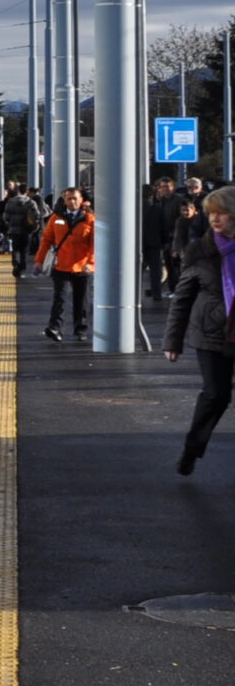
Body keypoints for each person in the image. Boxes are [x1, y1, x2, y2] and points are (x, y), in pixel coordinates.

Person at [164, 185, 235, 474]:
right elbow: (182, 299)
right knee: (215, 395)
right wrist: (173, 341)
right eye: (211, 214)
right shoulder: (199, 251)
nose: (216, 219)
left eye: (223, 214)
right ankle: (192, 449)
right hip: (212, 334)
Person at [37, 186, 96, 340]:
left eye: (75, 198)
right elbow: (46, 240)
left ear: (81, 200)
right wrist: (39, 261)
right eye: (68, 198)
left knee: (82, 299)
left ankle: (81, 329)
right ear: (64, 200)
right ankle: (55, 328)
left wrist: (91, 262)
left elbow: (95, 244)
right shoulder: (56, 218)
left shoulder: (89, 219)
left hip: (82, 266)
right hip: (61, 264)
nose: (72, 201)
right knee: (60, 298)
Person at [144, 177, 182, 303]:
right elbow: (163, 226)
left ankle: (132, 293)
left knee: (137, 269)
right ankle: (156, 293)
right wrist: (165, 241)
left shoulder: (134, 208)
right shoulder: (157, 207)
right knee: (156, 269)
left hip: (138, 242)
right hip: (155, 242)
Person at [2, 185, 45, 282]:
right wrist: (34, 226)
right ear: (26, 191)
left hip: (14, 229)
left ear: (18, 191)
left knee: (15, 248)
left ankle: (15, 263)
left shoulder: (11, 201)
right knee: (24, 250)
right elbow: (36, 215)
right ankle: (21, 268)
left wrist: (10, 223)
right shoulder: (30, 202)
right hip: (27, 230)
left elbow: (5, 216)